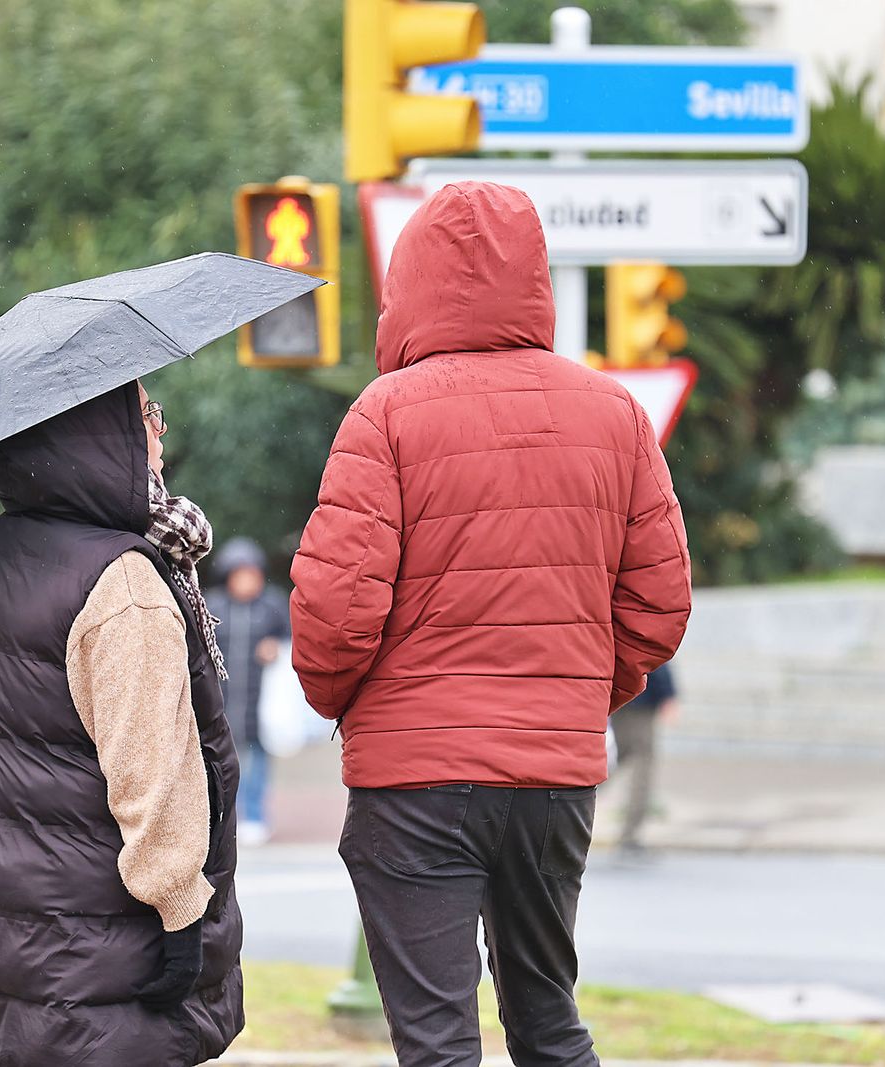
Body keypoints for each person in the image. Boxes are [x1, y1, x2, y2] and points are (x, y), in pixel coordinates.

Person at [290, 182, 692, 1067]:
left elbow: (332, 614)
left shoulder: (386, 414)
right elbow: (659, 603)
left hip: (417, 782)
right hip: (554, 780)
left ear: (410, 285)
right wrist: (573, 693)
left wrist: (361, 707)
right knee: (549, 1021)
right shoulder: (615, 414)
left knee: (437, 1043)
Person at [0, 380, 243, 1065]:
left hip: (23, 927)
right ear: (94, 433)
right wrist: (180, 908)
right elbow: (153, 763)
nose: (159, 432)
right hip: (114, 943)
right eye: (144, 414)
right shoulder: (122, 582)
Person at [207, 537, 290, 845]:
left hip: (261, 704)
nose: (246, 581)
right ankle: (222, 820)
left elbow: (292, 642)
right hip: (222, 703)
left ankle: (255, 816)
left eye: (252, 574)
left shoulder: (273, 605)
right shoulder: (213, 606)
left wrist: (277, 648)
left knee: (257, 762)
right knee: (221, 764)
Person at [615, 663, 680, 853]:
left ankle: (564, 819)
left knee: (607, 764)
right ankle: (630, 835)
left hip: (618, 699)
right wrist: (668, 693)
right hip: (639, 704)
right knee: (642, 768)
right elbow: (652, 651)